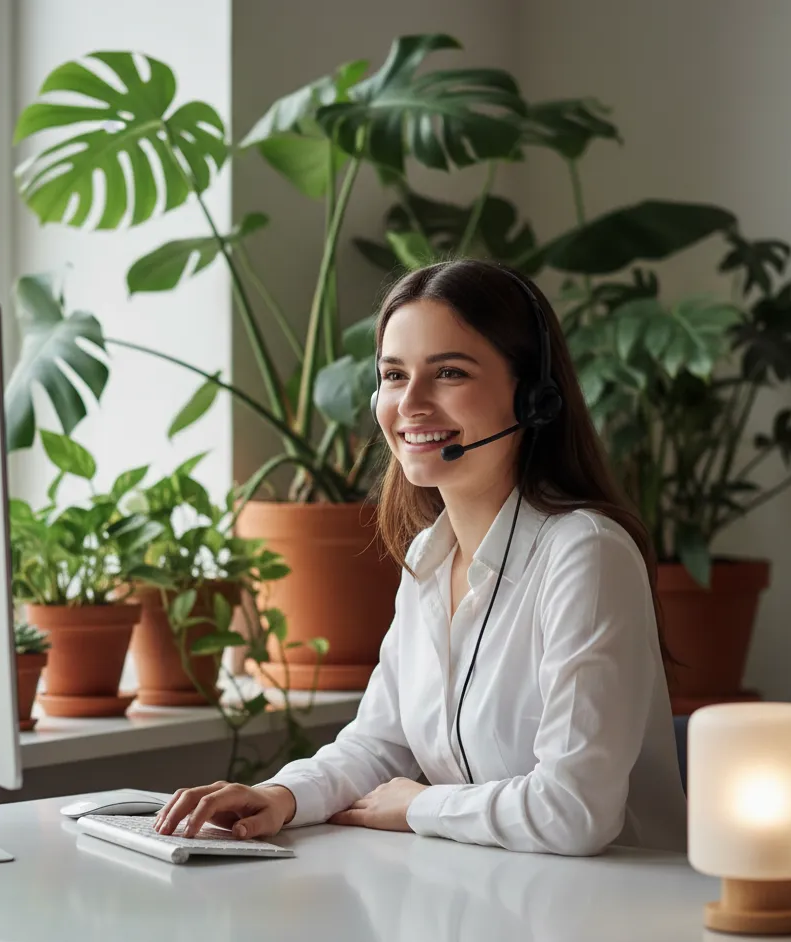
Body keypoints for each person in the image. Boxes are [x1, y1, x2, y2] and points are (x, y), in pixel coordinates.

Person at [155, 259, 688, 856]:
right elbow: (381, 743)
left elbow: (573, 812)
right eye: (393, 375)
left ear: (534, 396)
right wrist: (282, 795)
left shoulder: (585, 554)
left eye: (450, 373)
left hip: (613, 916)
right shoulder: (429, 558)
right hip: (494, 898)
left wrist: (416, 806)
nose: (411, 403)